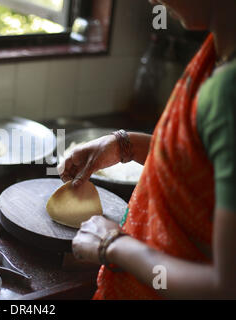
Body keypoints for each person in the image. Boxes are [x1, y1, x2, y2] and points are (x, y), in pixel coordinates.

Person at [57, 0, 236, 299]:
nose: (152, 1)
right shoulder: (219, 51)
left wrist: (113, 244)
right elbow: (203, 163)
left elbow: (225, 286)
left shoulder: (228, 89)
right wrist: (125, 146)